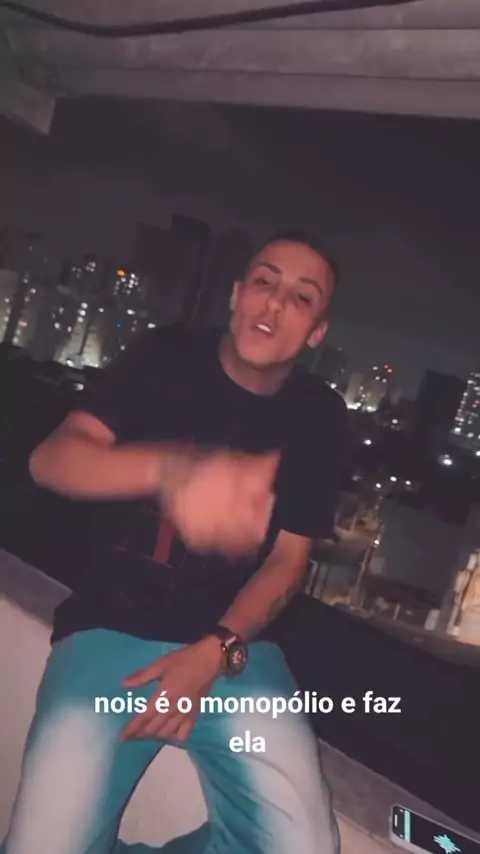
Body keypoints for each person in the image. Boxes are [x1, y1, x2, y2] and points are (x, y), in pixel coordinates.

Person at [2, 232, 348, 854]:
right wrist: (170, 470)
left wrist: (215, 652)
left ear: (316, 333)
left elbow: (288, 561)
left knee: (302, 847)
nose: (275, 303)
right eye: (265, 282)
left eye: (301, 297)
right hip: (109, 636)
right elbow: (50, 460)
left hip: (236, 653)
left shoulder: (319, 415)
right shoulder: (166, 357)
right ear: (237, 295)